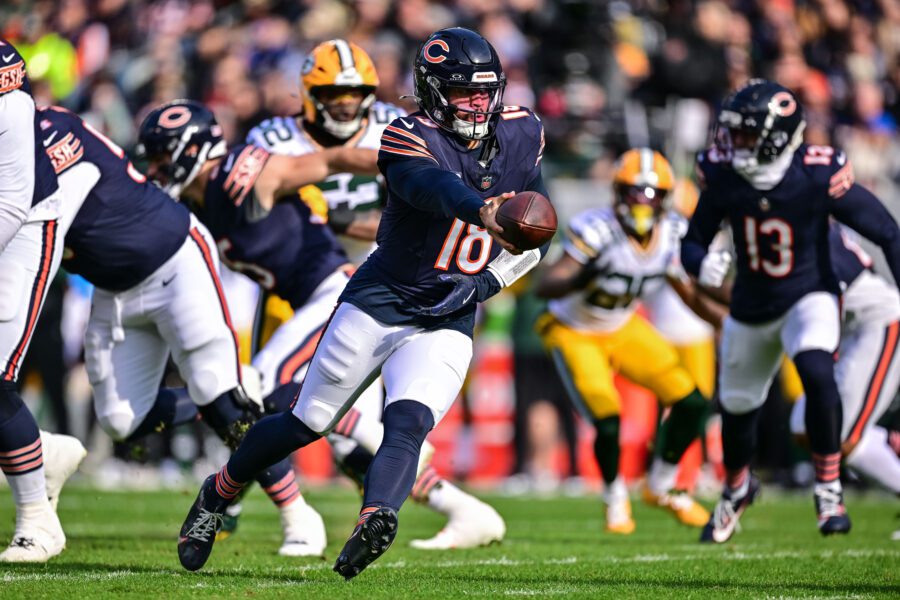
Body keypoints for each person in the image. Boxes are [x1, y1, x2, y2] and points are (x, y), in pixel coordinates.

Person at [177, 27, 547, 579]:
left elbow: (538, 234)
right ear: (432, 91)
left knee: (408, 422)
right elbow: (432, 189)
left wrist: (484, 284)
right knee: (306, 420)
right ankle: (219, 491)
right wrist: (484, 212)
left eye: (486, 90)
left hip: (449, 311)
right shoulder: (405, 135)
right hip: (380, 300)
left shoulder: (522, 131)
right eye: (465, 92)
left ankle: (376, 517)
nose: (478, 103)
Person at [41, 100, 373, 559]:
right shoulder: (186, 198)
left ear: (191, 151)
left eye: (162, 157)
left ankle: (301, 502)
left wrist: (407, 164)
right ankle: (251, 427)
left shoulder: (241, 173)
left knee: (259, 387)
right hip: (288, 299)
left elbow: (329, 160)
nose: (155, 168)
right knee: (124, 420)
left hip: (328, 292)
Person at [245, 38, 505, 551]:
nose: (345, 102)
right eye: (332, 92)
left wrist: (339, 219)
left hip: (371, 280)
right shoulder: (274, 136)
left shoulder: (400, 127)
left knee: (294, 399)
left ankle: (293, 515)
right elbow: (258, 208)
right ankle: (453, 505)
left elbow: (412, 216)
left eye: (355, 91)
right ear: (308, 92)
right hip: (289, 279)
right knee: (287, 405)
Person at [682, 79, 900, 542]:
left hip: (809, 293)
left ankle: (827, 488)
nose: (730, 143)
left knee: (817, 371)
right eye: (732, 132)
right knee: (739, 410)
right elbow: (693, 242)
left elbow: (886, 230)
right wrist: (703, 265)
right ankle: (737, 489)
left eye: (744, 134)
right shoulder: (723, 174)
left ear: (777, 137)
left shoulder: (816, 174)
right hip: (752, 305)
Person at [535, 148, 713, 534]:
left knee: (691, 401)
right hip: (575, 330)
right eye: (634, 192)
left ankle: (661, 486)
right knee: (608, 419)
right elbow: (545, 285)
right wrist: (582, 277)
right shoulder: (597, 229)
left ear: (665, 199)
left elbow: (689, 294)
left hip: (622, 326)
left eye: (651, 194)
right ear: (618, 193)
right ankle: (615, 498)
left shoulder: (671, 235)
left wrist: (732, 323)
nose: (642, 202)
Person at [0, 38, 85, 563]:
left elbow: (11, 197)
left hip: (26, 220)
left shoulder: (9, 94)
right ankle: (41, 450)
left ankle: (37, 519)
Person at [787, 225, 900, 498]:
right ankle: (891, 443)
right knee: (805, 426)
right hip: (852, 334)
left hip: (882, 323)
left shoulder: (810, 237)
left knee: (840, 437)